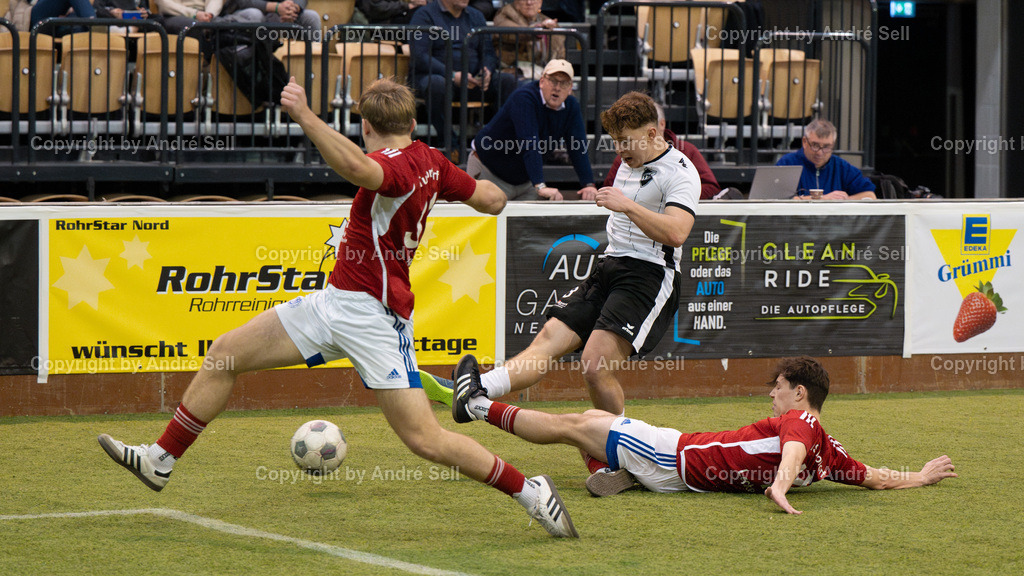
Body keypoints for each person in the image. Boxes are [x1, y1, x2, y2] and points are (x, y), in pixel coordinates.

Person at [96, 77, 578, 539]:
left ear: (365, 126)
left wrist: (306, 115)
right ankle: (160, 460)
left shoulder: (395, 166)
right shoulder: (430, 160)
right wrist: (469, 191)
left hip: (374, 319)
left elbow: (359, 169)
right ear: (413, 124)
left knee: (425, 439)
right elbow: (493, 200)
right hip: (334, 302)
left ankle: (530, 490)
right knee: (225, 353)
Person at [458, 91, 699, 438]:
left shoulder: (681, 171)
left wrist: (626, 205)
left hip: (650, 275)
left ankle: (620, 447)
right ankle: (478, 388)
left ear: (651, 133)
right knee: (549, 337)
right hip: (610, 265)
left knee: (595, 365)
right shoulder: (629, 159)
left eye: (626, 141)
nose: (619, 150)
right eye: (615, 141)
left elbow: (677, 233)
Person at [429, 355, 957, 513]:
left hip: (674, 453)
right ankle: (612, 470)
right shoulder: (832, 453)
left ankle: (475, 405)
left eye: (777, 389)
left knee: (578, 424)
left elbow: (794, 448)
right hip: (682, 478)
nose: (772, 396)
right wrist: (919, 476)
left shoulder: (804, 424)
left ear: (800, 393)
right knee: (588, 430)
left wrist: (779, 486)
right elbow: (874, 477)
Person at [468, 59, 594, 201]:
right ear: (542, 82)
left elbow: (578, 145)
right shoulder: (524, 98)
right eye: (553, 81)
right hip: (488, 172)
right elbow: (529, 142)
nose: (557, 88)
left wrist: (588, 184)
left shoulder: (571, 106)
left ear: (570, 88)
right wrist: (540, 185)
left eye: (564, 83)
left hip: (524, 182)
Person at [409, 0, 519, 148]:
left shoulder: (476, 16)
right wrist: (452, 75)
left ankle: (494, 141)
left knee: (507, 81)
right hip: (438, 78)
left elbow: (488, 53)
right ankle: (449, 143)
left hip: (473, 80)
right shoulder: (424, 15)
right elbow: (420, 56)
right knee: (436, 84)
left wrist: (486, 70)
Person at [602, 102, 721, 200]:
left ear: (661, 125)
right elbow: (608, 194)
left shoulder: (687, 151)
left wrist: (673, 195)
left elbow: (712, 188)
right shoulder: (625, 156)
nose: (619, 150)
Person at [776, 119, 877, 200]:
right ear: (804, 142)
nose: (820, 153)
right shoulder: (787, 163)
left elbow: (870, 196)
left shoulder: (842, 167)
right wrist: (823, 199)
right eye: (815, 145)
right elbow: (776, 199)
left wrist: (844, 200)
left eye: (826, 147)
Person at [493, 0, 566, 79]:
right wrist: (538, 30)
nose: (529, 2)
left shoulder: (546, 20)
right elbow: (513, 33)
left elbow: (560, 54)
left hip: (542, 72)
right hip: (512, 71)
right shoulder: (505, 14)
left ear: (540, 2)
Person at [156, 0, 263, 34]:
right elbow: (164, 4)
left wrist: (209, 14)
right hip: (176, 16)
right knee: (194, 25)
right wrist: (195, 14)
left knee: (254, 14)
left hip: (209, 17)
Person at [229, 0, 321, 32]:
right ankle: (253, 64)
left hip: (281, 16)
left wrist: (294, 8)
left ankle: (312, 64)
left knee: (312, 17)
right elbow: (243, 2)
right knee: (255, 15)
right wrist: (276, 7)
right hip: (247, 12)